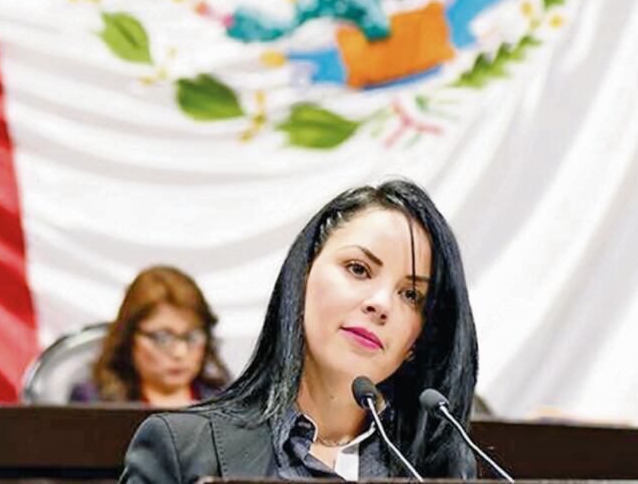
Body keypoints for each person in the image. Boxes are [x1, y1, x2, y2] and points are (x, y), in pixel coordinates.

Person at [120, 179, 479, 482]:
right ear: (303, 278)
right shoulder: (183, 449)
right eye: (358, 269)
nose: (381, 303)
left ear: (419, 340)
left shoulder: (442, 468)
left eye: (411, 295)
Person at [69, 265, 230, 407]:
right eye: (162, 338)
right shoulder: (94, 404)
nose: (179, 353)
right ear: (129, 338)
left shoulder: (227, 402)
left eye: (192, 337)